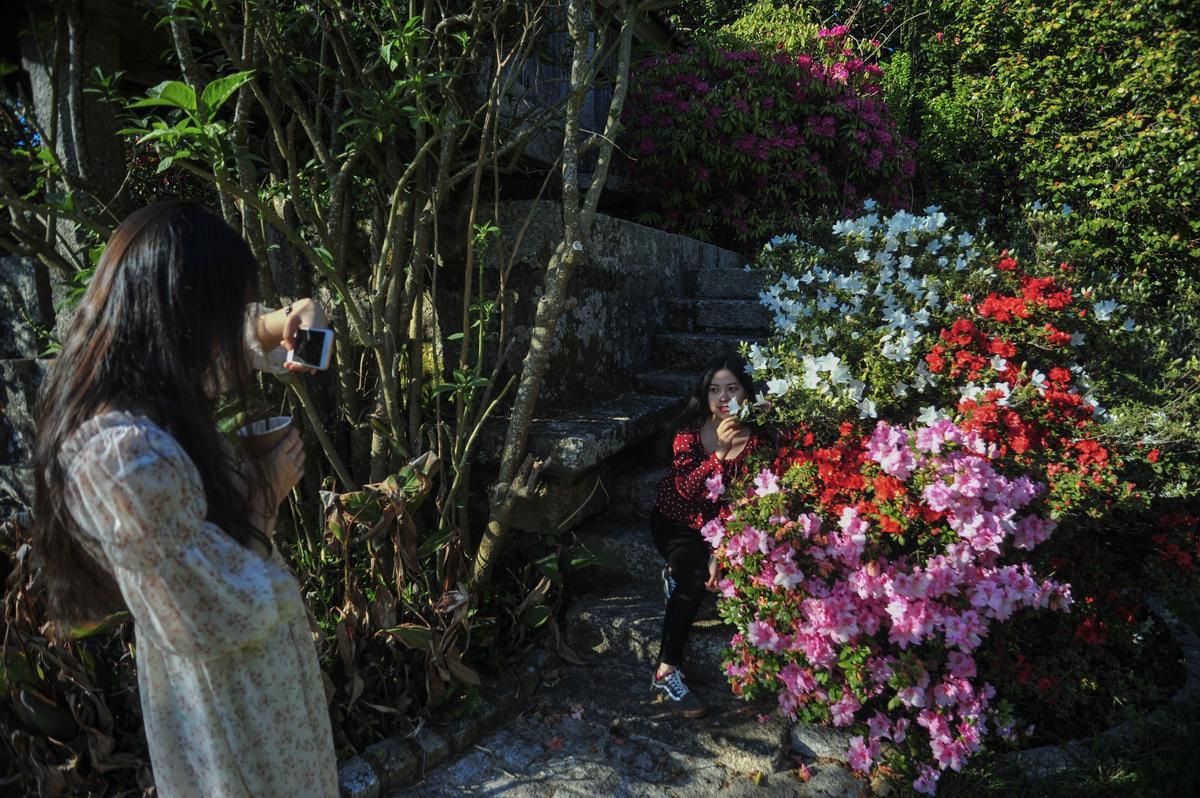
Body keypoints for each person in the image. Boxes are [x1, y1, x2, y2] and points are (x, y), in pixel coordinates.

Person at [32, 200, 338, 797]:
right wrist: (264, 498)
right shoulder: (124, 458)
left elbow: (222, 354)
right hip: (232, 713)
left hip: (248, 697)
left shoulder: (134, 385)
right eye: (222, 311)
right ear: (185, 318)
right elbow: (215, 617)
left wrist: (288, 319)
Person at [649, 353, 764, 717]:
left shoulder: (759, 441)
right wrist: (717, 455)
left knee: (727, 572)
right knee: (693, 576)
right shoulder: (689, 432)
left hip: (720, 527)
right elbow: (685, 489)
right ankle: (666, 671)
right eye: (715, 389)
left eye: (732, 388)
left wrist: (724, 549)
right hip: (677, 520)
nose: (724, 397)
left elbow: (750, 498)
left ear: (747, 393)